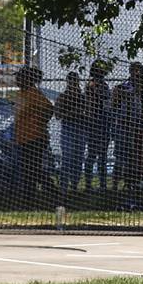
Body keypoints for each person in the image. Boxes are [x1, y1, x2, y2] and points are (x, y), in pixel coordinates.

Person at [111, 62, 143, 204]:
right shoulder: (121, 89)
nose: (139, 79)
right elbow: (114, 106)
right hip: (125, 129)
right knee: (122, 158)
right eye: (135, 73)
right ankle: (116, 186)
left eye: (141, 75)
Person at [14, 66, 54, 207]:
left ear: (27, 79)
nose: (17, 80)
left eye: (19, 77)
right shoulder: (21, 93)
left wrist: (39, 122)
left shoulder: (33, 93)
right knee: (28, 169)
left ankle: (51, 193)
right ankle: (29, 198)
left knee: (33, 169)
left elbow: (49, 108)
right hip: (23, 137)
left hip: (35, 138)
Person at [55, 71, 88, 199]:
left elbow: (88, 113)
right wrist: (72, 113)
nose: (74, 84)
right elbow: (58, 114)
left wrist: (81, 113)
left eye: (76, 81)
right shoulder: (63, 97)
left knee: (78, 158)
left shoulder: (82, 97)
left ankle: (74, 186)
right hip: (68, 129)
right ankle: (63, 187)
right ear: (68, 82)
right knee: (67, 158)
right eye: (71, 81)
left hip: (81, 129)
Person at [83, 60, 111, 191]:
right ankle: (88, 185)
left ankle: (103, 184)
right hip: (94, 123)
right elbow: (89, 105)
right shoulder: (91, 85)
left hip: (104, 123)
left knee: (103, 156)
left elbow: (107, 104)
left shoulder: (104, 85)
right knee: (93, 154)